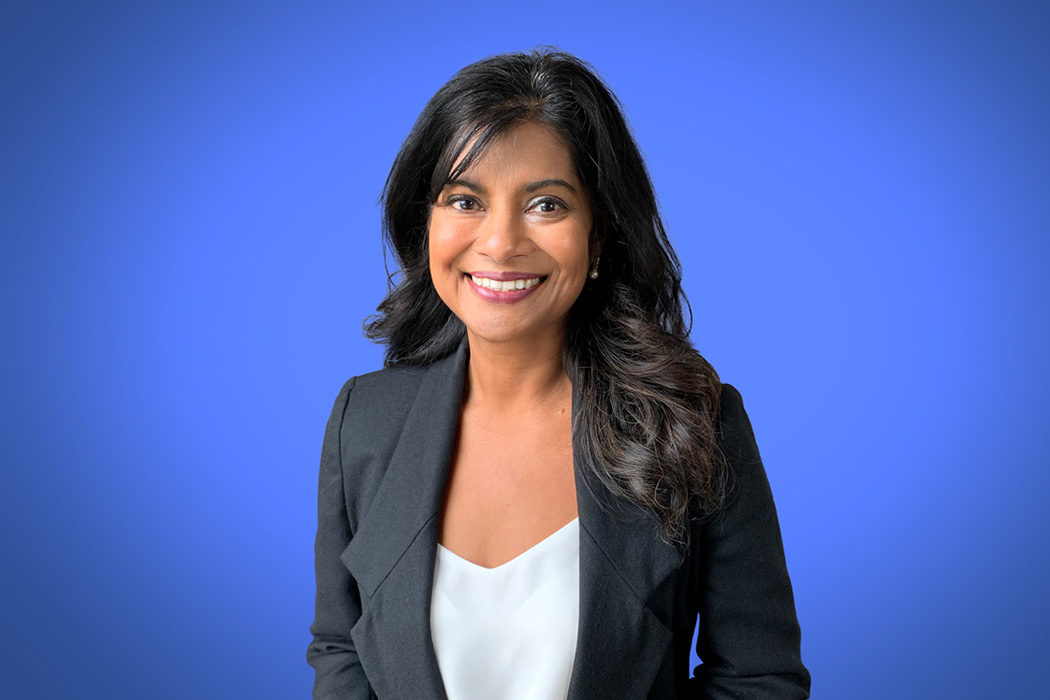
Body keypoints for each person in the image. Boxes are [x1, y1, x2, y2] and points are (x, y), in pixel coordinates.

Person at [306, 48, 811, 700]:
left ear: (600, 235)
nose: (499, 242)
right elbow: (341, 647)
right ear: (424, 222)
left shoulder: (694, 425)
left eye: (545, 205)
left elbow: (758, 681)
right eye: (465, 200)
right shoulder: (363, 423)